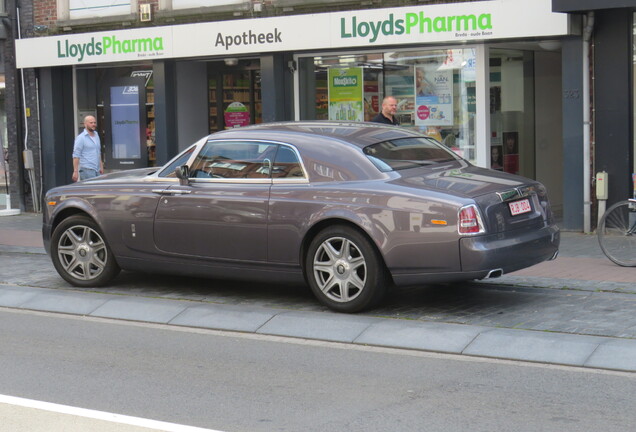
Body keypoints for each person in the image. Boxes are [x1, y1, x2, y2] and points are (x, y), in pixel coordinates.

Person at [72, 115, 103, 182]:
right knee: (90, 191)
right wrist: (75, 171)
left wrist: (101, 166)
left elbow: (98, 152)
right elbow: (76, 155)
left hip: (97, 170)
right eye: (91, 123)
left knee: (97, 191)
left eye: (94, 123)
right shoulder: (81, 138)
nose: (93, 124)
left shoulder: (96, 135)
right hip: (87, 170)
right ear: (85, 124)